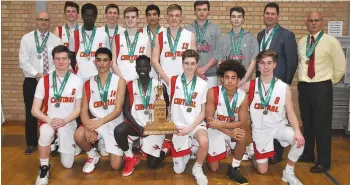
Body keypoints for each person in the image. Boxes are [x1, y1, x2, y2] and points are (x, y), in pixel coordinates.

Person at [241, 50, 305, 185]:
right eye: (262, 63)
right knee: (263, 170)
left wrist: (298, 132)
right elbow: (232, 91)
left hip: (279, 126)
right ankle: (252, 151)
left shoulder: (283, 87)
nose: (266, 67)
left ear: (275, 65)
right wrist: (249, 70)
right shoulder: (251, 85)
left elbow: (291, 112)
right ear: (258, 65)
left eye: (269, 63)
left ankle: (288, 172)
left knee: (299, 142)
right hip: (260, 130)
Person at [297, 12, 346, 173]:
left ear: (322, 22)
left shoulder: (331, 42)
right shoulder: (303, 41)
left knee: (322, 125)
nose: (313, 23)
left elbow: (340, 66)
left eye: (316, 20)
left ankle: (324, 162)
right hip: (305, 87)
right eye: (310, 20)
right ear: (307, 22)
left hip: (321, 86)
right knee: (308, 123)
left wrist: (327, 83)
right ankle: (308, 154)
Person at [31, 45, 83, 185]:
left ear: (69, 60)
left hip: (67, 122)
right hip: (48, 120)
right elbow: (34, 110)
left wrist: (64, 121)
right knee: (45, 134)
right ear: (53, 60)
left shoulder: (77, 81)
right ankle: (44, 168)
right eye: (58, 58)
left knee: (68, 164)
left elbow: (78, 110)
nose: (61, 61)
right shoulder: (44, 80)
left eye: (64, 58)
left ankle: (59, 140)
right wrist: (49, 119)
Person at [113, 55, 172, 176]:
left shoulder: (159, 85)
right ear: (136, 68)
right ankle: (130, 157)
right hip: (136, 125)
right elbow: (126, 111)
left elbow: (165, 110)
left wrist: (153, 127)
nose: (142, 68)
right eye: (139, 66)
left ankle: (165, 148)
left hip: (154, 127)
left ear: (150, 68)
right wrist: (138, 127)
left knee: (152, 165)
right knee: (119, 130)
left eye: (145, 66)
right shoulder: (130, 85)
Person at [256, 2, 298, 164]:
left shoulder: (286, 35)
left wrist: (284, 85)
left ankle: (277, 153)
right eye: (267, 13)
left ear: (278, 16)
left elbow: (292, 62)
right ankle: (267, 150)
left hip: (278, 84)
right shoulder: (260, 35)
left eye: (273, 14)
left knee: (278, 118)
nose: (269, 16)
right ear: (264, 15)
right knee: (266, 117)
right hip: (264, 84)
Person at [74, 47, 126, 173]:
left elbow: (118, 110)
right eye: (99, 60)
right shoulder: (87, 83)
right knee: (78, 135)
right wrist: (88, 127)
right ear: (94, 62)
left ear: (110, 63)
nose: (102, 63)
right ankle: (92, 155)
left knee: (115, 166)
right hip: (96, 122)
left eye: (105, 60)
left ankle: (122, 147)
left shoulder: (120, 81)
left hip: (115, 123)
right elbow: (83, 111)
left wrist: (99, 122)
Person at [19, 11, 62, 155]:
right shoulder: (27, 39)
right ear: (36, 21)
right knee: (31, 111)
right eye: (41, 20)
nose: (44, 22)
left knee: (53, 111)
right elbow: (23, 61)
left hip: (51, 81)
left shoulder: (56, 40)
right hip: (32, 80)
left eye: (46, 20)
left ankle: (54, 142)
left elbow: (60, 61)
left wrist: (47, 76)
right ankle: (31, 142)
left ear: (50, 23)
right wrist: (37, 74)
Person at [169, 49, 208, 185]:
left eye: (192, 63)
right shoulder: (174, 81)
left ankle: (197, 167)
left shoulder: (203, 84)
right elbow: (169, 105)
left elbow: (203, 112)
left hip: (195, 125)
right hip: (178, 127)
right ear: (182, 64)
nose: (189, 67)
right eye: (186, 63)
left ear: (197, 65)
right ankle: (189, 149)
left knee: (204, 141)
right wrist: (171, 126)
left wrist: (191, 128)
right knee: (178, 170)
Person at [205, 60, 248, 184]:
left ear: (238, 80)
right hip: (214, 130)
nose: (230, 81)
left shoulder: (243, 96)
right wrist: (229, 132)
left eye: (233, 78)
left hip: (226, 128)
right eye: (227, 77)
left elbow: (243, 123)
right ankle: (212, 150)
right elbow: (209, 120)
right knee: (214, 168)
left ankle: (234, 167)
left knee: (242, 136)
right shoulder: (212, 92)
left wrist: (221, 124)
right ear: (221, 79)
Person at [151, 4, 196, 86]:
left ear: (181, 18)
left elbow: (194, 60)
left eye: (177, 15)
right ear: (167, 18)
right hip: (165, 82)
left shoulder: (190, 35)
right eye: (171, 15)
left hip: (185, 82)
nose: (174, 18)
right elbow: (154, 60)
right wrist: (167, 80)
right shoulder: (159, 36)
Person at [215, 6, 259, 87]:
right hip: (227, 82)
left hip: (244, 82)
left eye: (239, 16)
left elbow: (253, 62)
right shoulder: (223, 39)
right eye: (233, 16)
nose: (236, 19)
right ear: (230, 19)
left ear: (243, 19)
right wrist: (223, 79)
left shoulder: (251, 38)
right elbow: (219, 62)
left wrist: (244, 79)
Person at [184, 1, 221, 88]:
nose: (201, 12)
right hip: (192, 73)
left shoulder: (215, 28)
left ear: (208, 12)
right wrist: (196, 70)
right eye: (199, 10)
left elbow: (218, 52)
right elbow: (186, 53)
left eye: (204, 9)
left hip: (211, 73)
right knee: (193, 100)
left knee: (210, 100)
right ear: (194, 11)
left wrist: (204, 68)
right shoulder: (187, 29)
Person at [112, 6, 152, 82]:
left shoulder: (146, 38)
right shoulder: (117, 38)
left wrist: (139, 80)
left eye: (133, 17)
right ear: (124, 20)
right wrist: (122, 80)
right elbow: (113, 63)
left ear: (138, 19)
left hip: (140, 81)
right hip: (121, 81)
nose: (130, 19)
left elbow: (148, 62)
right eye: (127, 17)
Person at [75, 3, 109, 82]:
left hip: (97, 76)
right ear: (82, 16)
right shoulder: (75, 34)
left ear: (96, 16)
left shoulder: (103, 34)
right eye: (87, 15)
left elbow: (107, 56)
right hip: (79, 77)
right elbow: (71, 55)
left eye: (92, 15)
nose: (89, 18)